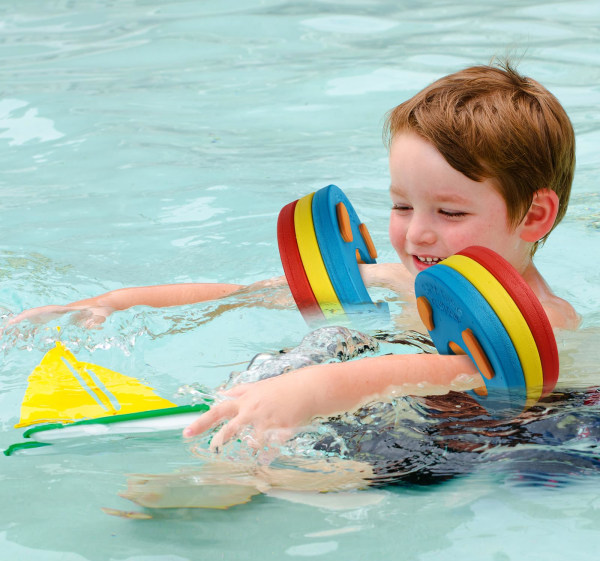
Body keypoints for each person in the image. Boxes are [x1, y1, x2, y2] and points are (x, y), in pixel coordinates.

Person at [11, 62, 580, 454]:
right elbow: (255, 293)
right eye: (403, 206)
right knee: (285, 380)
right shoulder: (402, 280)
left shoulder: (543, 318)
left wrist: (310, 393)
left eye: (450, 214)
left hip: (480, 436)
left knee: (331, 462)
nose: (417, 235)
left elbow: (459, 370)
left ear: (533, 216)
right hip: (349, 400)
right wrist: (122, 300)